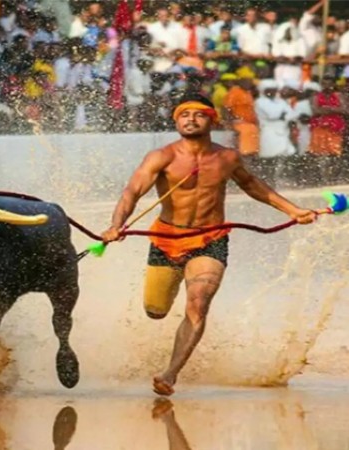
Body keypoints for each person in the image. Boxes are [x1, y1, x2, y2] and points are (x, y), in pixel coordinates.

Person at [100, 94, 316, 396]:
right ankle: (160, 348)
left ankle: (170, 374)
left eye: (198, 114)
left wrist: (293, 210)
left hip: (210, 239)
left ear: (211, 119)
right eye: (183, 114)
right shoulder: (161, 156)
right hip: (166, 239)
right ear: (176, 121)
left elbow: (253, 185)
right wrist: (115, 225)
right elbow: (132, 191)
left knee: (198, 302)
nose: (190, 119)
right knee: (155, 310)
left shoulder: (227, 157)